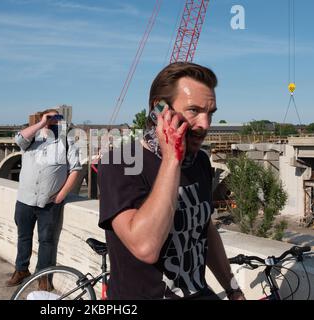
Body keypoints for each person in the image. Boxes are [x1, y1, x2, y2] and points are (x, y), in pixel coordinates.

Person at [98, 62, 245, 300]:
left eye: (210, 113)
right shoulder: (121, 163)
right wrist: (171, 159)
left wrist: (232, 288)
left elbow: (204, 228)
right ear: (160, 109)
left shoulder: (200, 162)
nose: (205, 125)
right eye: (194, 110)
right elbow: (145, 248)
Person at [6, 109, 82, 290]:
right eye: (50, 117)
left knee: (47, 241)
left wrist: (61, 195)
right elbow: (18, 139)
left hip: (49, 203)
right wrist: (42, 123)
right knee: (23, 236)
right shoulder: (32, 138)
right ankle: (21, 269)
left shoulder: (66, 141)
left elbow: (75, 169)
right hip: (25, 199)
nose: (53, 121)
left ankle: (43, 278)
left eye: (57, 118)